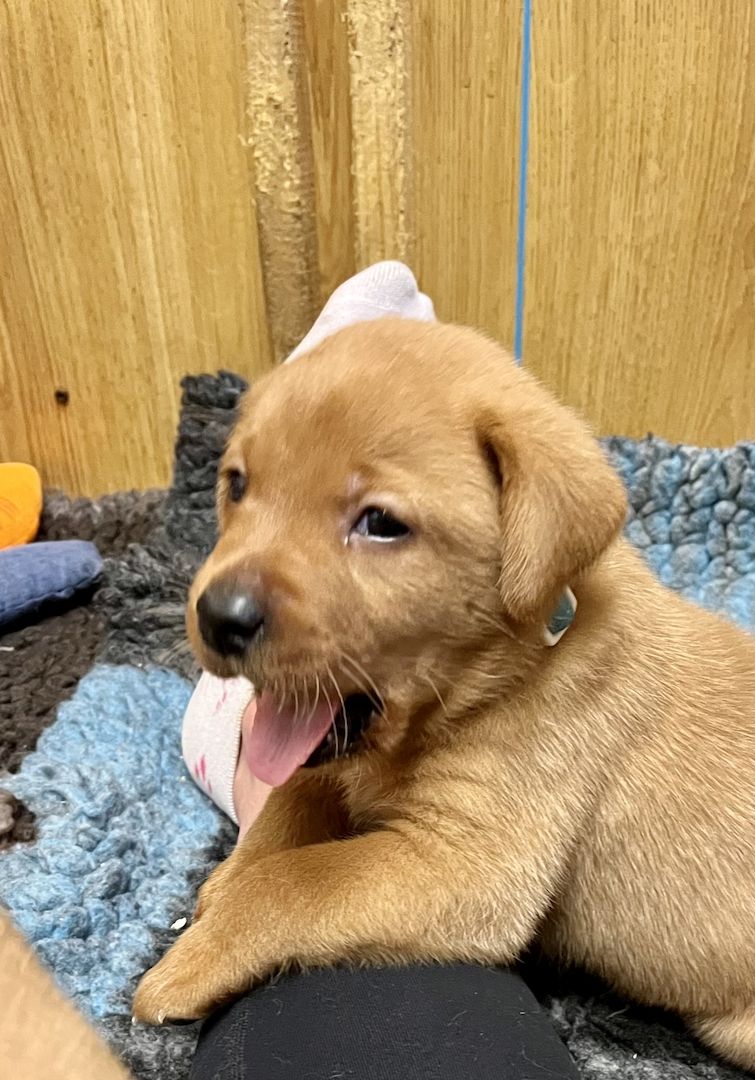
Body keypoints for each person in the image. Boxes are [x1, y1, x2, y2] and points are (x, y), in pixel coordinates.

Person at [181, 262, 580, 1080]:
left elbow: (476, 890)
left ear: (532, 544)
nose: (227, 597)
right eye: (241, 485)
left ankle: (247, 762)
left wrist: (268, 902)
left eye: (380, 521)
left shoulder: (584, 673)